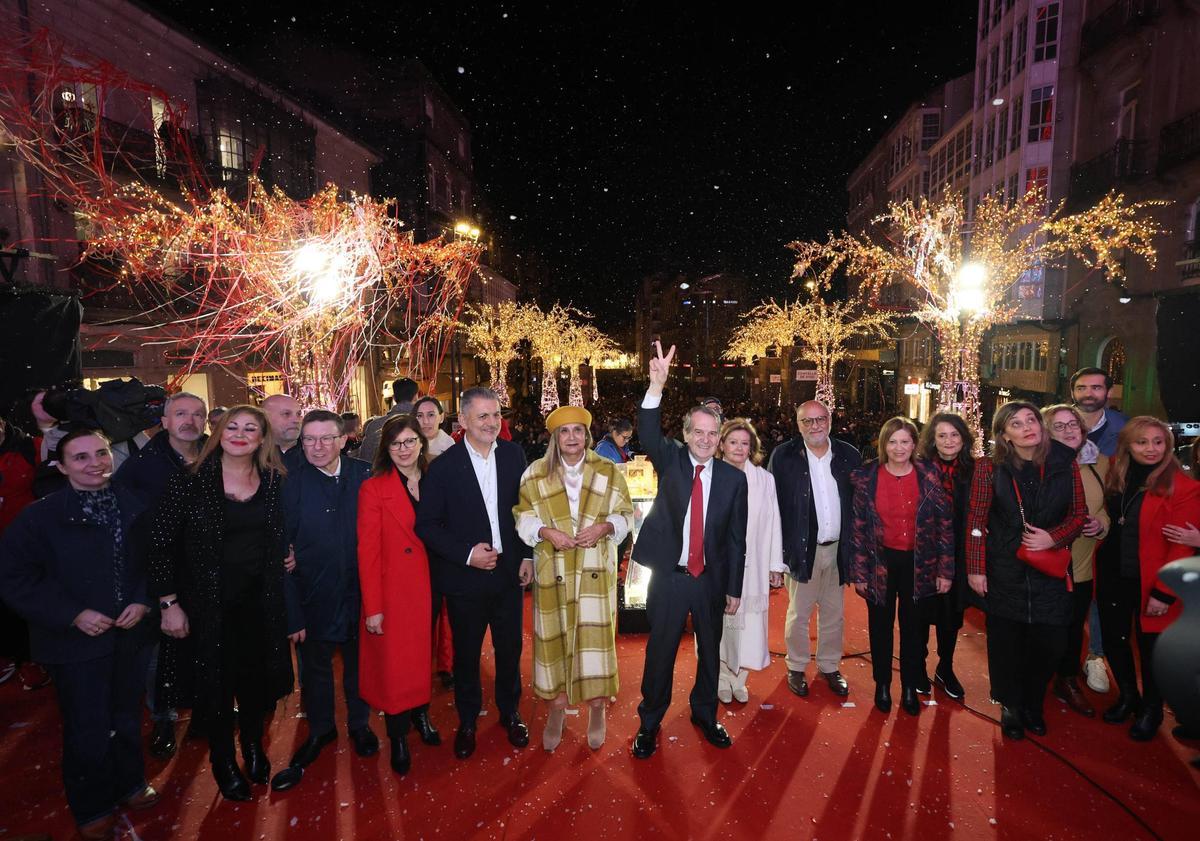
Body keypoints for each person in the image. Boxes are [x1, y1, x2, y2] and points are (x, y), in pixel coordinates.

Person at [0, 429, 159, 840]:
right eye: (81, 457)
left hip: (129, 634)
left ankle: (130, 781)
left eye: (101, 453)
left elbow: (155, 563)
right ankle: (92, 805)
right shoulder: (39, 518)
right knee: (86, 726)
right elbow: (15, 578)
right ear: (61, 465)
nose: (95, 464)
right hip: (75, 644)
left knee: (127, 716)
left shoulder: (135, 504)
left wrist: (143, 601)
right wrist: (72, 615)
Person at [149, 405, 293, 801]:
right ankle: (223, 760)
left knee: (255, 682)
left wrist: (288, 551)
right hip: (207, 606)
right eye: (233, 427)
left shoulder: (273, 480)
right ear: (218, 433)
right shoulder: (190, 480)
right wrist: (168, 603)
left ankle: (252, 745)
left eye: (250, 429)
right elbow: (160, 545)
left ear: (262, 439)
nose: (240, 435)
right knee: (214, 686)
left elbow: (279, 532)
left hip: (260, 603)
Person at [630, 343, 747, 759]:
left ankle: (705, 713)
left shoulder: (734, 480)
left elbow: (736, 539)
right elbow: (647, 432)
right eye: (698, 432)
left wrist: (734, 587)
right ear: (685, 435)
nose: (705, 439)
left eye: (712, 434)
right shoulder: (672, 461)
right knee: (660, 652)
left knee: (710, 652)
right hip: (669, 578)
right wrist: (656, 386)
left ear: (719, 439)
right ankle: (649, 722)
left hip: (710, 580)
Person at [415, 387, 532, 760]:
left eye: (496, 415)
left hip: (509, 574)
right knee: (466, 655)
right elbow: (427, 526)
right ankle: (467, 721)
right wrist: (467, 555)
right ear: (462, 420)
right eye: (482, 416)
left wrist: (528, 555)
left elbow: (527, 510)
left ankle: (510, 712)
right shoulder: (443, 467)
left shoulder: (514, 455)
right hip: (464, 579)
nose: (491, 422)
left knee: (510, 649)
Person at [270, 410, 378, 792]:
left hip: (361, 595)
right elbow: (279, 550)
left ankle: (360, 725)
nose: (317, 447)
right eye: (309, 439)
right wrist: (292, 613)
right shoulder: (288, 483)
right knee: (315, 671)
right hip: (312, 596)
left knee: (358, 666)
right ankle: (321, 729)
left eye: (326, 438)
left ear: (344, 439)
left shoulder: (366, 475)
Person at [966, 402, 1087, 740]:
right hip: (1005, 566)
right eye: (1016, 424)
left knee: (1051, 643)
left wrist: (1053, 537)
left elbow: (1079, 515)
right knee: (1006, 643)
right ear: (1005, 434)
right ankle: (1010, 705)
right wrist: (976, 569)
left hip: (1051, 569)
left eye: (1031, 420)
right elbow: (976, 521)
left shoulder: (1065, 462)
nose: (1027, 427)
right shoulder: (989, 467)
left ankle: (1034, 702)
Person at [515, 405, 634, 751]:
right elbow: (523, 517)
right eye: (564, 431)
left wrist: (605, 527)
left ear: (587, 435)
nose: (571, 437)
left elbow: (626, 514)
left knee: (595, 643)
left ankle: (597, 708)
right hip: (552, 569)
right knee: (554, 642)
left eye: (577, 431)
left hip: (595, 569)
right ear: (555, 437)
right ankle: (557, 709)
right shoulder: (535, 473)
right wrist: (545, 532)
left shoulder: (608, 470)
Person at [112, 391, 207, 759]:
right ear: (164, 421)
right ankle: (163, 719)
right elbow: (135, 534)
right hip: (159, 574)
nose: (190, 421)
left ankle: (204, 709)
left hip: (203, 573)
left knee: (204, 644)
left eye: (197, 414)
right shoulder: (142, 468)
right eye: (180, 414)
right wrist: (163, 597)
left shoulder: (214, 456)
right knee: (160, 654)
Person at [1096, 416, 1200, 741]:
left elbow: (1182, 545)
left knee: (1152, 649)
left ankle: (1152, 710)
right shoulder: (1115, 473)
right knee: (1114, 640)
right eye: (1142, 442)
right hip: (1113, 573)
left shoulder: (1184, 487)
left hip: (1153, 582)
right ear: (1128, 446)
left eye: (1158, 442)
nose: (1151, 448)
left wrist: (1164, 593)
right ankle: (1129, 697)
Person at [848, 417, 953, 716]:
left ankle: (909, 687)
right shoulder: (867, 476)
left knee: (913, 629)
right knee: (880, 628)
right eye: (892, 441)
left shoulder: (929, 475)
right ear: (883, 444)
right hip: (879, 563)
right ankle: (882, 684)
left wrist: (945, 570)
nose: (899, 448)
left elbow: (945, 525)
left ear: (914, 444)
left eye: (905, 441)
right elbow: (858, 528)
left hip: (919, 564)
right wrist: (860, 572)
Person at [359, 415, 440, 775]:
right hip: (396, 591)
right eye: (395, 444)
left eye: (410, 441)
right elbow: (368, 552)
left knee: (425, 656)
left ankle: (421, 715)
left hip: (435, 584)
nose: (403, 449)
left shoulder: (438, 479)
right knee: (396, 666)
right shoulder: (374, 489)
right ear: (386, 449)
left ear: (422, 443)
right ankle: (398, 736)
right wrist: (373, 607)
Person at [768, 400, 862, 700]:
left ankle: (829, 666)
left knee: (834, 613)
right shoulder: (784, 456)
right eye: (807, 421)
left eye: (820, 419)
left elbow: (860, 504)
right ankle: (796, 666)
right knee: (799, 613)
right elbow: (772, 508)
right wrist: (775, 556)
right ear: (797, 425)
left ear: (830, 421)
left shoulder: (849, 454)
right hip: (802, 550)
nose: (815, 426)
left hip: (838, 550)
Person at [1042, 404, 1110, 718]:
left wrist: (1101, 523)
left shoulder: (1100, 463)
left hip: (1080, 564)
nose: (1069, 431)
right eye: (1059, 426)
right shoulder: (1035, 464)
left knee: (1072, 627)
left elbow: (1107, 507)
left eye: (1074, 425)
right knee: (1041, 627)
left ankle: (1066, 679)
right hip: (1043, 563)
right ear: (1046, 432)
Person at [714, 418, 785, 705]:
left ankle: (739, 679)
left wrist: (775, 564)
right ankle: (720, 677)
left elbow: (774, 521)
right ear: (721, 445)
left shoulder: (765, 479)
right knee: (719, 624)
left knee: (750, 625)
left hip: (753, 563)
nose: (739, 448)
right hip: (718, 564)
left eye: (745, 443)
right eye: (733, 442)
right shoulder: (710, 474)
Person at [1071, 366, 1127, 694]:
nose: (1088, 393)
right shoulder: (1056, 422)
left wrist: (1107, 518)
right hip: (1060, 529)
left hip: (1107, 520)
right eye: (1082, 387)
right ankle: (1061, 659)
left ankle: (1095, 655)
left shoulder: (1124, 428)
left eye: (1095, 387)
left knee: (1100, 592)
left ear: (1108, 392)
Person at [915, 412, 975, 700]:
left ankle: (945, 667)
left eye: (954, 435)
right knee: (920, 614)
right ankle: (917, 666)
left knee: (951, 617)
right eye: (942, 435)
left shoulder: (974, 471)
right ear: (932, 439)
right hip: (923, 555)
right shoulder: (919, 470)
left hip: (958, 555)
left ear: (964, 439)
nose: (949, 441)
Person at [0, 413, 41, 688]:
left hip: (29, 545)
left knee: (30, 602)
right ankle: (9, 654)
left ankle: (33, 659)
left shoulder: (30, 447)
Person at [359, 377, 419, 464]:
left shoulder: (374, 425)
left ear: (394, 398)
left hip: (379, 471)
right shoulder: (423, 423)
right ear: (416, 397)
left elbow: (364, 460)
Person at [262, 393, 304, 470]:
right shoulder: (250, 457)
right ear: (265, 418)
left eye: (298, 414)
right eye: (286, 414)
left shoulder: (315, 453)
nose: (296, 420)